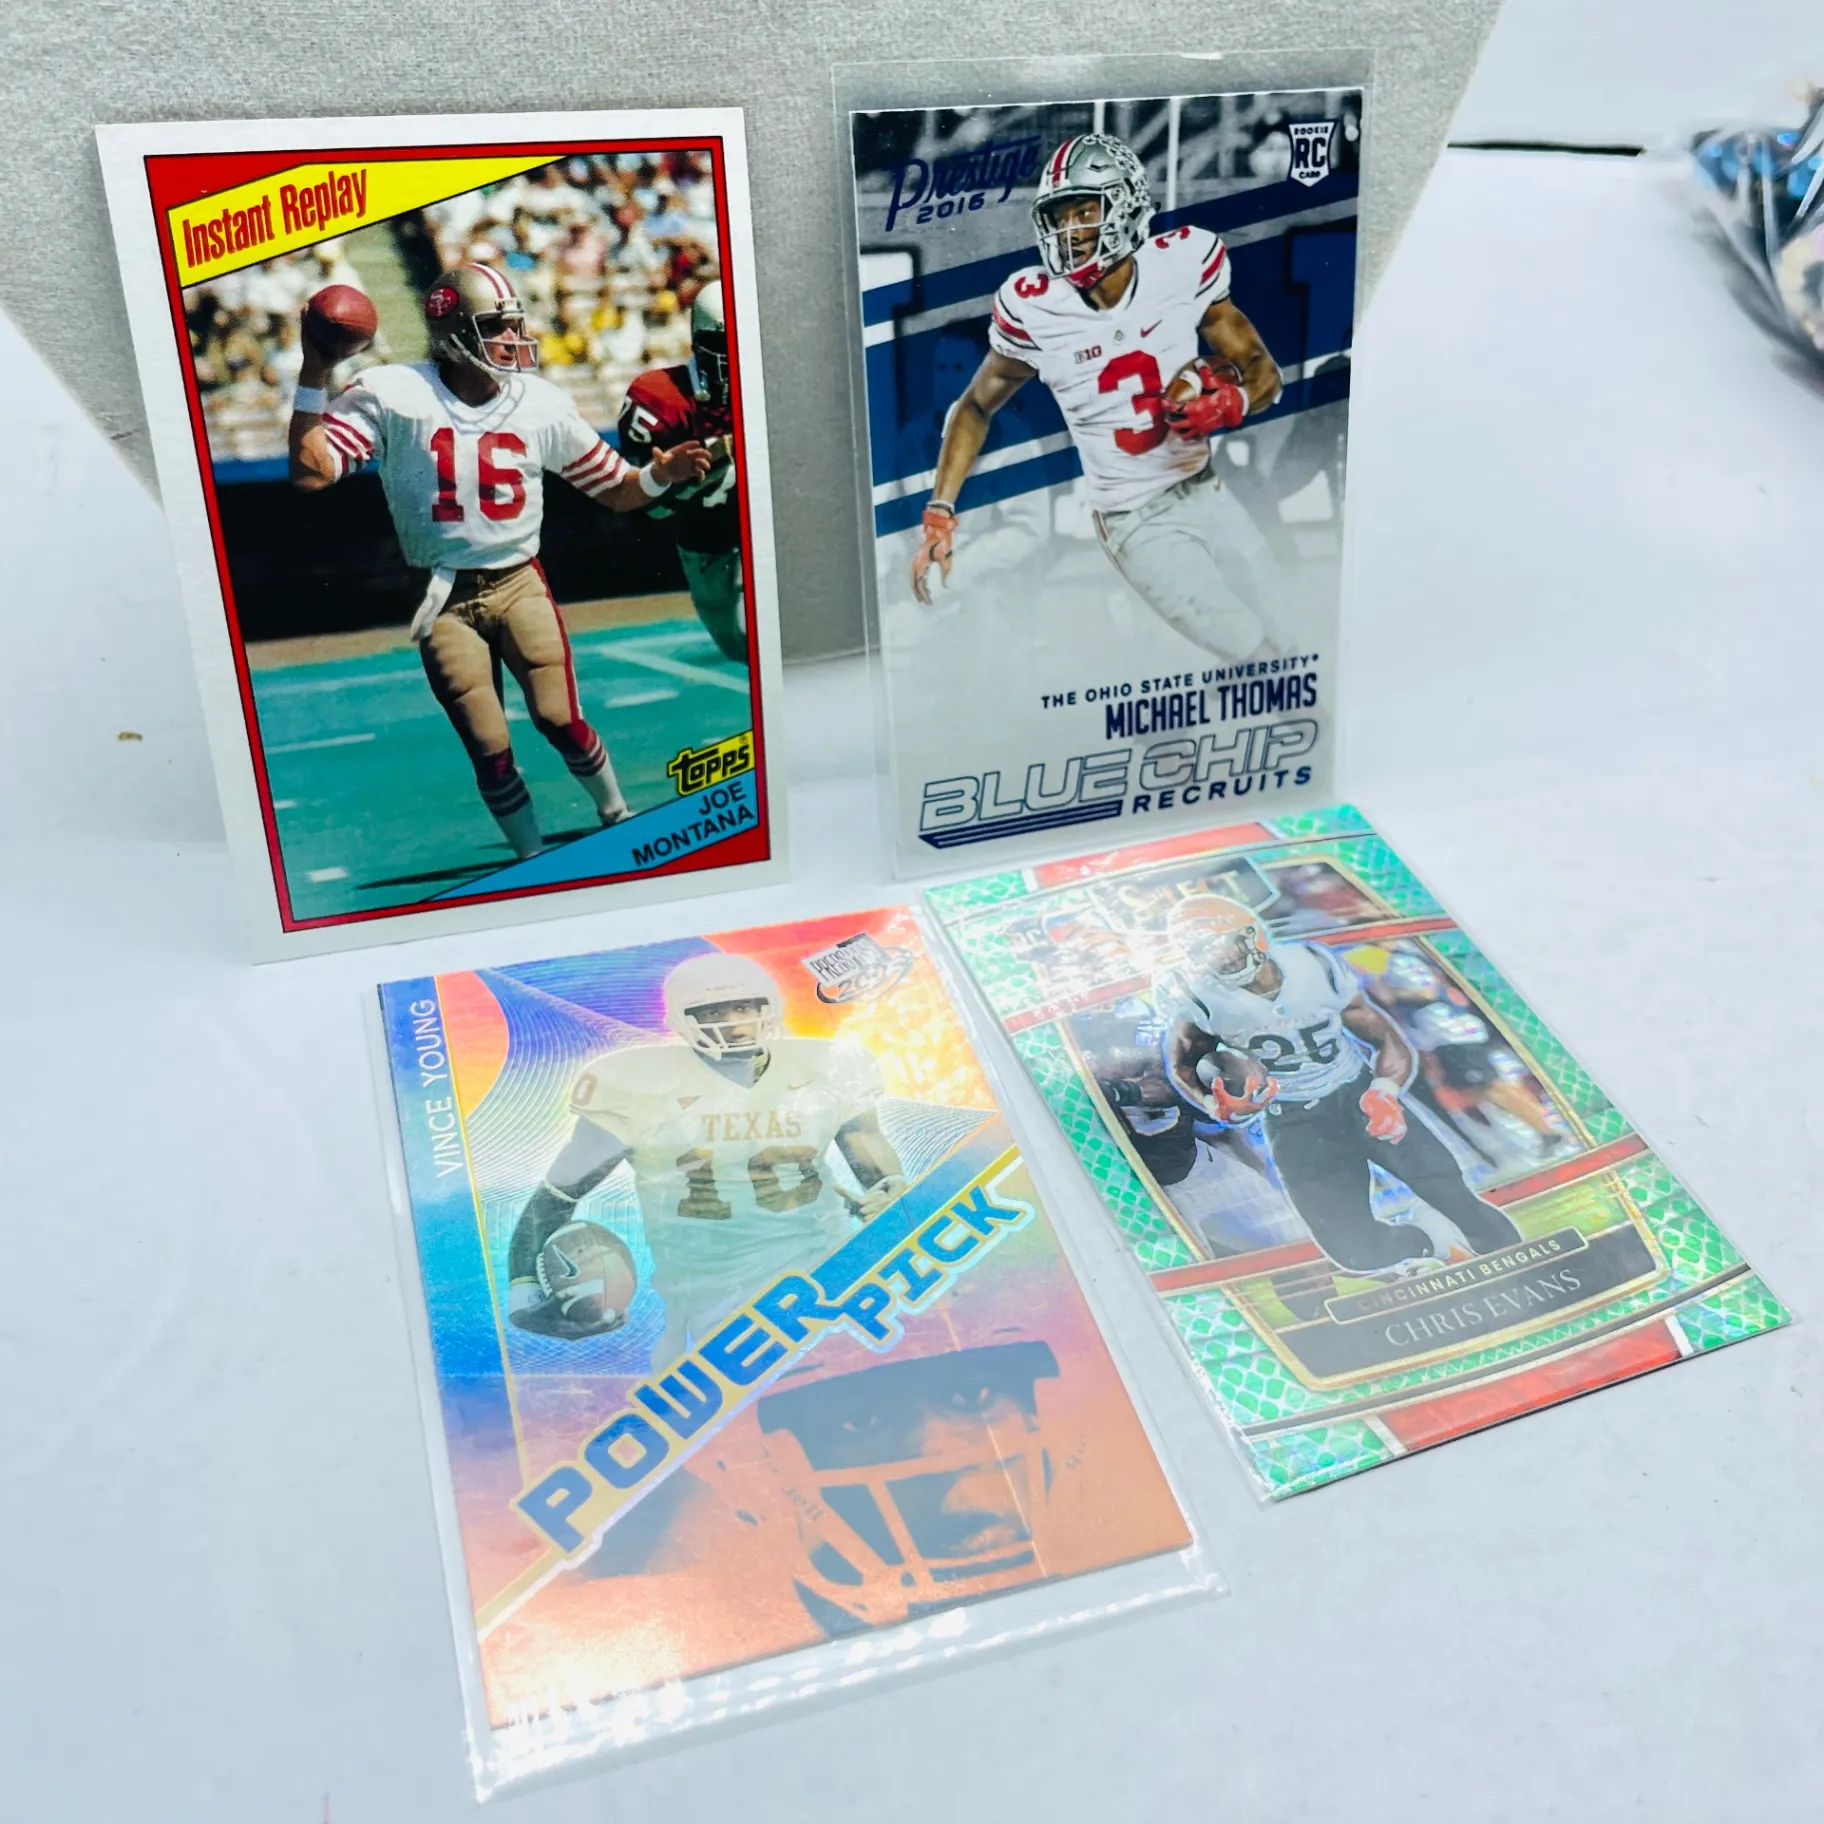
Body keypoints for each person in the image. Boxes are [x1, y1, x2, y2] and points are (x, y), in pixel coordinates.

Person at [288, 263, 711, 860]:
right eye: (495, 325)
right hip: (442, 595)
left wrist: (659, 477)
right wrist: (315, 371)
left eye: (514, 324)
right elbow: (311, 472)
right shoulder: (394, 393)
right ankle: (530, 861)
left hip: (518, 581)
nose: (513, 338)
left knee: (560, 717)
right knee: (489, 747)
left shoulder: (539, 403)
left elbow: (617, 489)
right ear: (456, 332)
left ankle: (616, 813)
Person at [911, 132, 1285, 660]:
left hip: (1207, 490)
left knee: (1291, 632)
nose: (1071, 232)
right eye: (1059, 217)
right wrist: (939, 514)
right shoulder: (1036, 306)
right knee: (1254, 651)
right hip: (1135, 520)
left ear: (1127, 203)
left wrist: (1230, 404)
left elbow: (1262, 371)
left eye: (1085, 211)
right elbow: (974, 405)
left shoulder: (1179, 264)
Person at [506, 952, 908, 1366]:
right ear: (681, 1020)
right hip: (710, 1288)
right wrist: (523, 1290)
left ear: (769, 1007)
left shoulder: (827, 1066)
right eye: (713, 1011)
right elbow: (558, 1194)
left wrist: (891, 1190)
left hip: (828, 1263)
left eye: (744, 1007)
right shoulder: (636, 1087)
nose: (733, 1023)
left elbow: (866, 1145)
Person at [1160, 896, 1524, 1279]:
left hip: (1358, 1094)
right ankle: (1431, 1239)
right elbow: (1183, 1063)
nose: (1221, 957)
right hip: (1293, 1119)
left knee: (1453, 1196)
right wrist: (1214, 1104)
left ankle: (1517, 1260)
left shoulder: (1313, 965)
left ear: (1250, 934)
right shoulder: (1199, 997)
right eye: (1204, 951)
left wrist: (1385, 1090)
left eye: (1223, 943)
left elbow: (1383, 1035)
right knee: (1352, 1251)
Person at [617, 281, 747, 662]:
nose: (736, 354)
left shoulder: (777, 381)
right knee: (743, 645)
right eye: (724, 342)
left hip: (775, 533)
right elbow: (646, 509)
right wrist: (674, 479)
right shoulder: (661, 399)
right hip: (713, 552)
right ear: (700, 342)